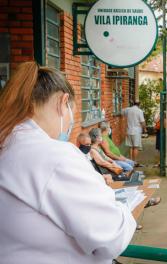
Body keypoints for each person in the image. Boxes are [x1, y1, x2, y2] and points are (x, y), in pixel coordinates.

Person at [0, 62, 135, 264]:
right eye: (71, 110)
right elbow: (111, 237)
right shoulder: (54, 156)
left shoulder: (9, 145)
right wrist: (119, 205)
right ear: (63, 102)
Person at [122, 101, 147, 166]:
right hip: (136, 131)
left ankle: (130, 161)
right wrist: (144, 128)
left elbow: (121, 112)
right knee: (135, 147)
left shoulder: (128, 110)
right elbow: (142, 122)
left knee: (131, 147)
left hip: (129, 130)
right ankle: (134, 162)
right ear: (139, 105)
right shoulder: (139, 111)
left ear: (133, 104)